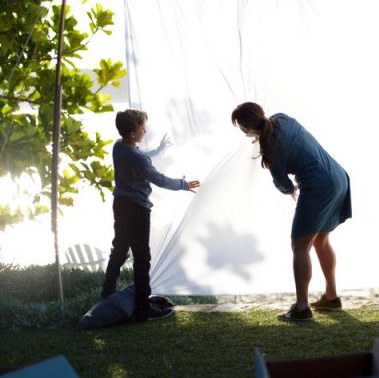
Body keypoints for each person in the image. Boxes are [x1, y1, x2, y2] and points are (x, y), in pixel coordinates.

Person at [231, 102, 352, 321]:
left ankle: (302, 308)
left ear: (246, 129)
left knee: (299, 246)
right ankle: (331, 297)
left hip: (318, 185)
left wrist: (291, 190)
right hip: (338, 176)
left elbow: (282, 183)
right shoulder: (283, 118)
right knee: (321, 240)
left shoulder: (270, 148)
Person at [101, 109, 201, 322]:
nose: (145, 130)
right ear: (132, 133)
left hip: (120, 204)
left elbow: (140, 157)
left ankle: (107, 295)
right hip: (136, 209)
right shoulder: (138, 158)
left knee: (119, 250)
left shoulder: (118, 146)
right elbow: (159, 179)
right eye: (142, 127)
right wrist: (183, 184)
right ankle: (143, 308)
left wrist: (158, 150)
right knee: (142, 257)